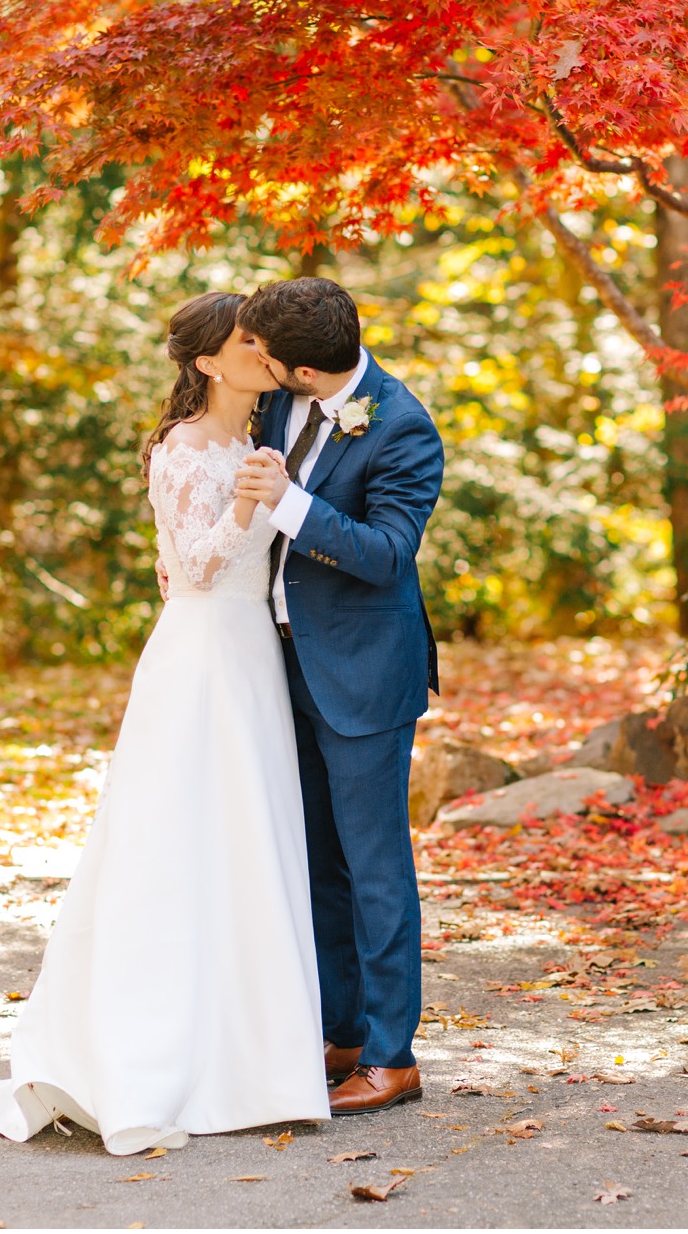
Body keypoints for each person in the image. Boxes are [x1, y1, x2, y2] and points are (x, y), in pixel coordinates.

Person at [0, 291, 330, 1156]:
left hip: (250, 660)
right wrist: (246, 503)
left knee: (246, 843)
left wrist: (258, 491)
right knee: (172, 848)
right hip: (198, 661)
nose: (261, 352)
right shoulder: (184, 449)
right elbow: (190, 564)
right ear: (206, 362)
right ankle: (149, 1061)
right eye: (245, 341)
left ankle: (256, 1063)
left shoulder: (256, 441)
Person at [234, 277, 445, 1115]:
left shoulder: (401, 424)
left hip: (364, 676)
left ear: (306, 372)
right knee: (319, 862)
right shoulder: (280, 406)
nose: (259, 365)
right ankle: (343, 1030)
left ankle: (394, 1057)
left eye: (266, 358)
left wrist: (290, 503)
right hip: (282, 664)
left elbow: (388, 553)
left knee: (376, 867)